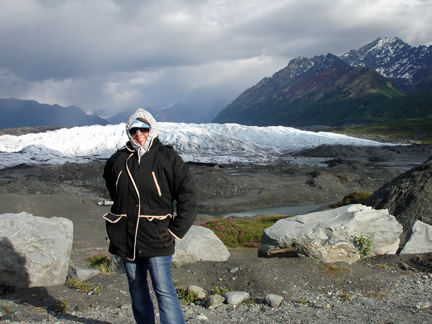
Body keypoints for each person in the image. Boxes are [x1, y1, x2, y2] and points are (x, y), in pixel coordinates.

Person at [102, 108, 198, 324]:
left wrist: (175, 230)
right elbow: (113, 188)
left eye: (143, 129)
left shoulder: (167, 158)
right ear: (129, 132)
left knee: (163, 290)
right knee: (136, 288)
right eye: (134, 130)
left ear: (151, 129)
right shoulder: (119, 160)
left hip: (157, 235)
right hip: (127, 236)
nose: (139, 134)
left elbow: (189, 196)